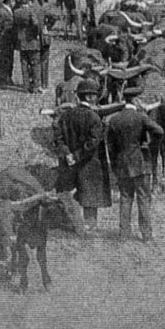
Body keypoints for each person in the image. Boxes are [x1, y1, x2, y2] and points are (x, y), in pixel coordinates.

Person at [105, 86, 164, 240]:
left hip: (122, 165)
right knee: (143, 199)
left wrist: (114, 165)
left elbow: (110, 146)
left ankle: (123, 234)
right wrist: (149, 145)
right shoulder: (141, 117)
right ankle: (146, 235)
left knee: (125, 199)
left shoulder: (114, 120)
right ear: (136, 100)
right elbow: (159, 131)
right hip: (141, 163)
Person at [53, 79, 111, 229]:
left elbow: (58, 138)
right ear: (90, 97)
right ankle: (89, 225)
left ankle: (69, 222)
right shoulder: (94, 118)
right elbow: (93, 143)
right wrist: (78, 155)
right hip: (90, 162)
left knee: (68, 192)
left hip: (69, 162)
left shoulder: (66, 116)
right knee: (90, 194)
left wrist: (68, 154)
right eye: (95, 96)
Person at [14, 0, 43, 93]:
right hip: (32, 40)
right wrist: (38, 33)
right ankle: (36, 86)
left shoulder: (16, 12)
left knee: (24, 64)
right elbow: (36, 24)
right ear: (29, 2)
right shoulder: (31, 11)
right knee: (35, 64)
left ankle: (26, 86)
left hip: (21, 41)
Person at [0, 0, 17, 87]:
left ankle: (8, 77)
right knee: (3, 60)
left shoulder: (9, 10)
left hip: (9, 40)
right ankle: (3, 79)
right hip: (3, 40)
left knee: (9, 59)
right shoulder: (2, 12)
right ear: (10, 1)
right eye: (13, 1)